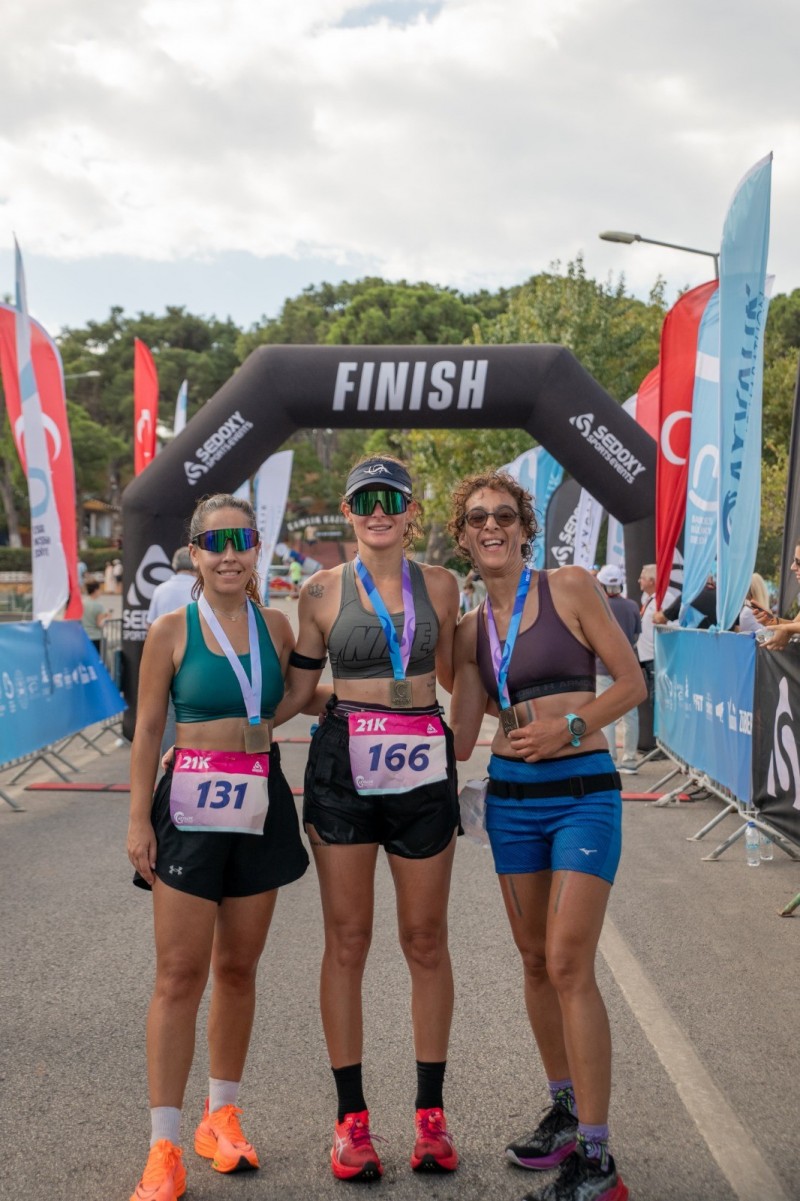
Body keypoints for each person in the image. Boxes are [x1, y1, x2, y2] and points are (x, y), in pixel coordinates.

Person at [448, 469, 644, 1201]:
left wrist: (571, 727)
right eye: (477, 518)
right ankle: (564, 1112)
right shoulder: (469, 631)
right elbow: (461, 734)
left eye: (504, 515)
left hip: (582, 797)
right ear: (463, 537)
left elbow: (630, 684)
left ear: (525, 529)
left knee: (567, 962)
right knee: (534, 962)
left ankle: (597, 1158)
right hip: (511, 800)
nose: (491, 526)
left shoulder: (570, 587)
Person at [279, 454, 461, 1181]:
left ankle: (430, 1117)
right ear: (350, 510)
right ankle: (350, 1122)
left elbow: (465, 674)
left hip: (422, 766)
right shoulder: (320, 590)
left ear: (410, 509)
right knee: (348, 940)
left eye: (390, 498)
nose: (377, 511)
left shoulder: (441, 586)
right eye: (364, 500)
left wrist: (498, 731)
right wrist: (216, 735)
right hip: (343, 771)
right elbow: (297, 693)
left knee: (425, 939)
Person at [127, 493, 309, 1201]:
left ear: (256, 548)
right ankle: (163, 1145)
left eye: (241, 540)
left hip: (259, 800)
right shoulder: (172, 629)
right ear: (195, 553)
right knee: (179, 974)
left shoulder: (278, 626)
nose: (229, 554)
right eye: (215, 542)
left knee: (237, 967)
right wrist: (138, 820)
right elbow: (149, 729)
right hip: (189, 808)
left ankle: (220, 1117)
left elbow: (290, 697)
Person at [147, 548, 201, 755]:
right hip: (197, 659)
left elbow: (150, 625)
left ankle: (170, 761)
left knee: (168, 713)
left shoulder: (160, 590)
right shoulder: (201, 589)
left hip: (164, 658)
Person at [594, 565, 641, 775]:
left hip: (602, 666)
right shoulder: (632, 606)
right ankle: (630, 759)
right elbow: (636, 636)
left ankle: (610, 759)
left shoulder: (597, 606)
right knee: (631, 715)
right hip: (628, 667)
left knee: (606, 714)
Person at [80, 577, 108, 650]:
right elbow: (99, 624)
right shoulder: (99, 606)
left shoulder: (82, 603)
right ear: (95, 590)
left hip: (84, 636)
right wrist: (107, 619)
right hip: (96, 636)